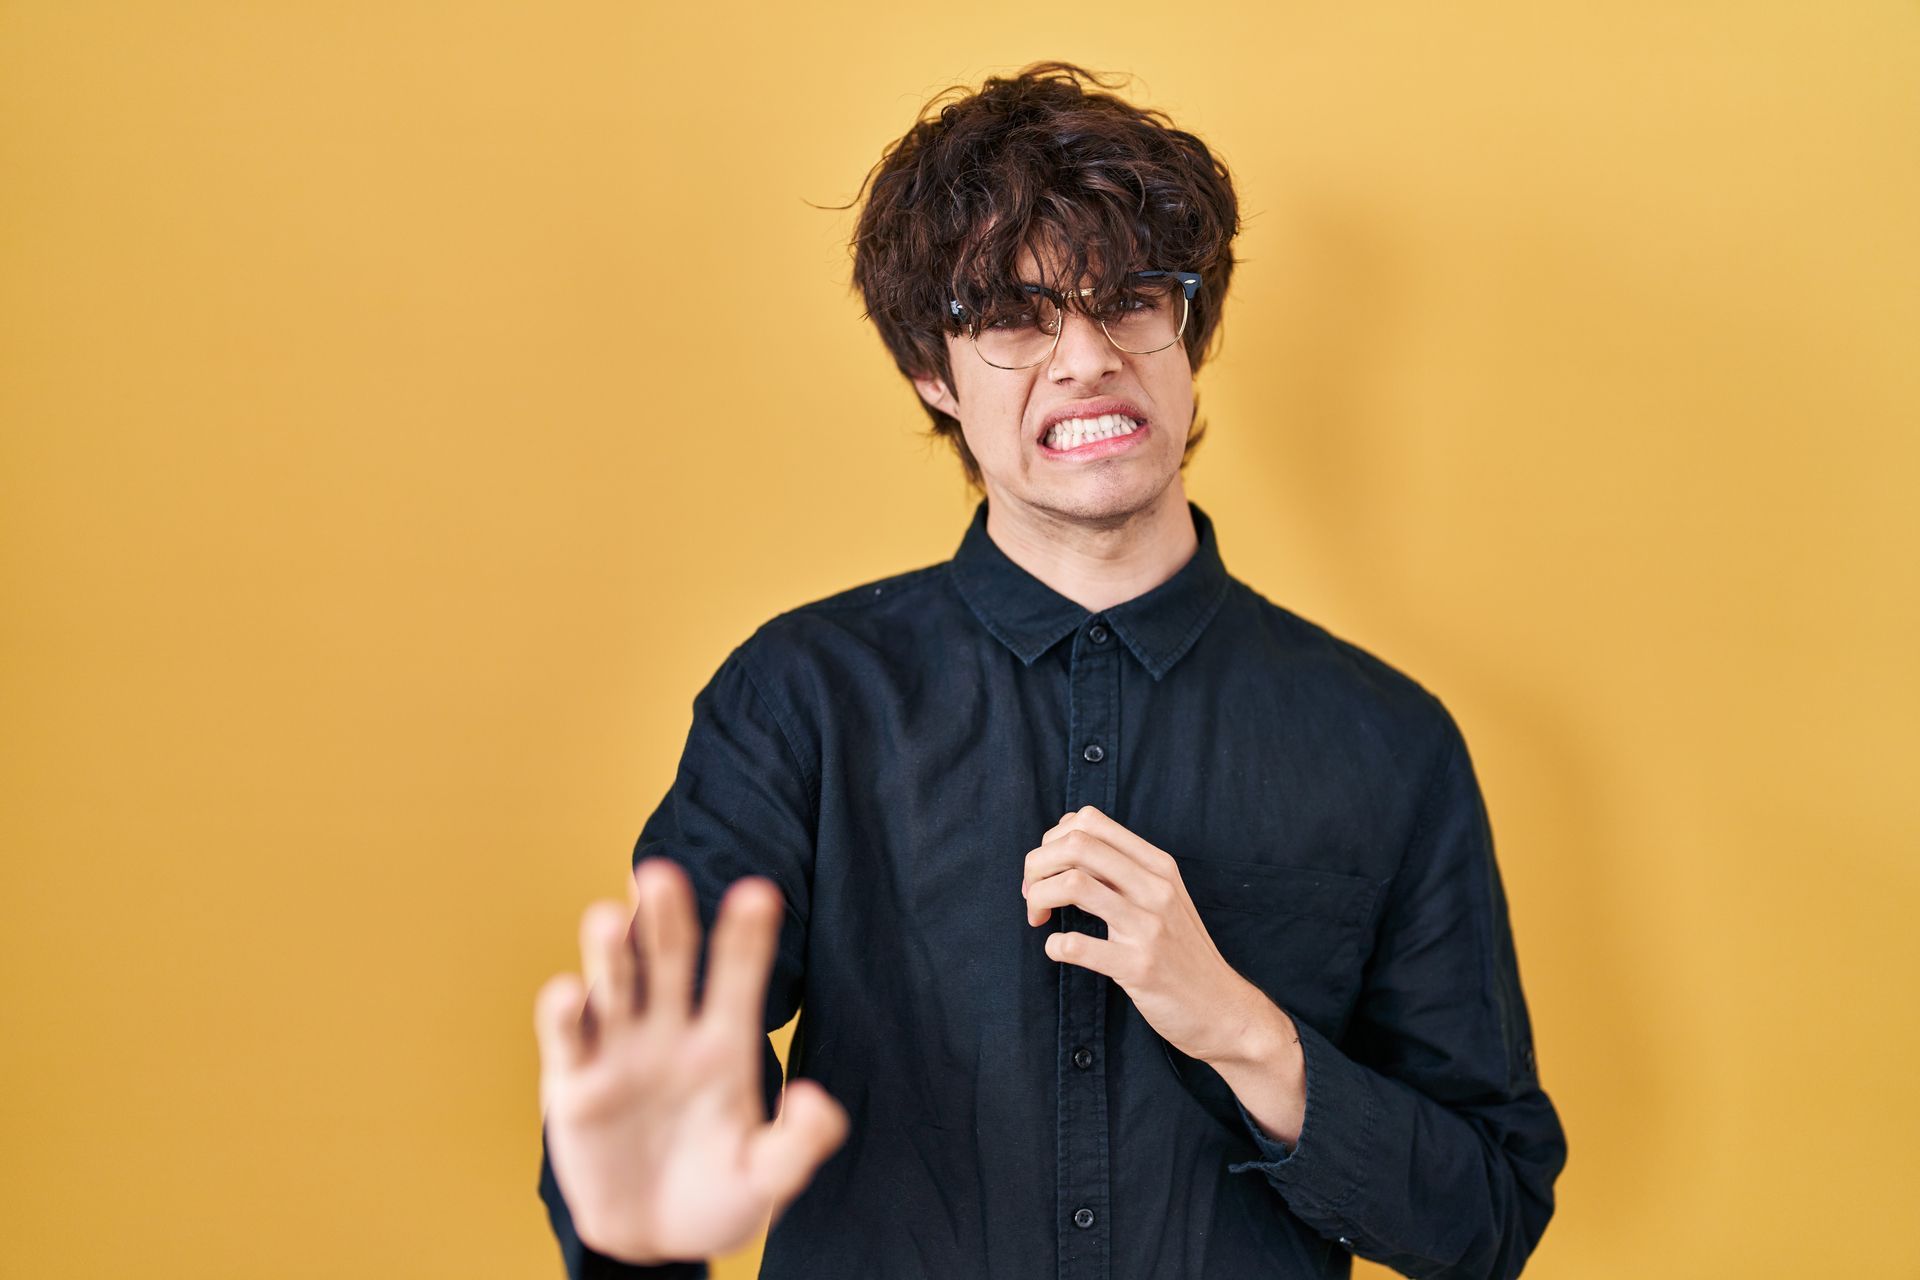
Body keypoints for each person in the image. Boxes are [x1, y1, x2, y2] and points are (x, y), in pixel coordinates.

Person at [534, 61, 1568, 1279]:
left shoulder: (1387, 736)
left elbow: (1486, 1216)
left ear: (1190, 335)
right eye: (1015, 317)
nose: (1085, 357)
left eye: (1131, 298)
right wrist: (637, 1224)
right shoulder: (800, 696)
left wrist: (1244, 1028)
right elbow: (671, 1073)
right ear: (934, 370)